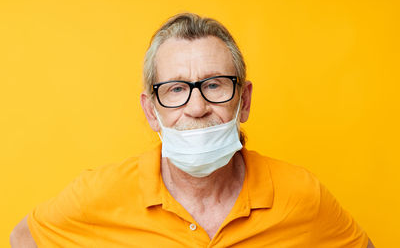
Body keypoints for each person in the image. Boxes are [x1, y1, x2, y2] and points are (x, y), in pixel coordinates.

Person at [10, 13, 374, 247]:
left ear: (244, 101)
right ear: (151, 112)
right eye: (176, 89)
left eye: (214, 85)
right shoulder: (98, 195)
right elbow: (21, 240)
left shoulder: (301, 196)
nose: (197, 108)